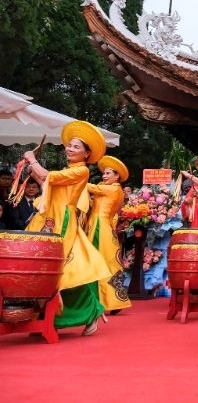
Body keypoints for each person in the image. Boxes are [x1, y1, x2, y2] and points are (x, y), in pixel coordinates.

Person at [24, 121, 111, 335]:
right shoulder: (67, 170)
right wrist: (33, 171)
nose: (70, 149)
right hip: (48, 218)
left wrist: (32, 160)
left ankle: (89, 312)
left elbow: (46, 176)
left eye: (76, 147)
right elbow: (46, 185)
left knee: (65, 271)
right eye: (69, 145)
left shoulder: (81, 171)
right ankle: (45, 318)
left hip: (63, 223)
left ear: (86, 154)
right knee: (47, 268)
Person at [85, 156, 132, 313]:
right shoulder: (115, 190)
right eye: (104, 174)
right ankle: (113, 299)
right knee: (110, 263)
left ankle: (107, 300)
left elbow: (92, 188)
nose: (104, 176)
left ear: (117, 176)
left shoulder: (112, 189)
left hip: (99, 228)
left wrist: (77, 177)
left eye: (107, 173)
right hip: (105, 228)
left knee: (99, 262)